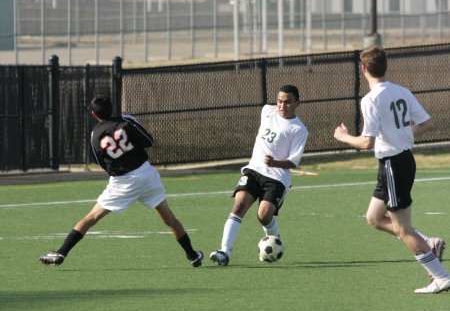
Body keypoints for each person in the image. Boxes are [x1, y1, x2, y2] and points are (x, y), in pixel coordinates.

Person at [333, 45, 449, 294]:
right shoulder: (401, 91)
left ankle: (440, 276)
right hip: (398, 162)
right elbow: (428, 124)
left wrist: (342, 136)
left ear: (363, 69)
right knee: (374, 218)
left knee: (402, 229)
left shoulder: (371, 99)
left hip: (394, 165)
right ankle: (428, 242)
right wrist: (403, 133)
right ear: (385, 67)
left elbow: (367, 142)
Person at [39, 95, 203, 268]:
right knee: (170, 219)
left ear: (94, 115)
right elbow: (148, 141)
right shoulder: (127, 120)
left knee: (91, 217)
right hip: (146, 174)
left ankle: (61, 253)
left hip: (122, 181)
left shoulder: (95, 134)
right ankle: (192, 255)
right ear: (112, 108)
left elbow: (100, 161)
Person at [210, 84, 308, 266]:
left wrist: (274, 163)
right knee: (238, 206)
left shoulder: (299, 129)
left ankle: (274, 238)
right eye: (279, 101)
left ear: (297, 103)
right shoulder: (267, 111)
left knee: (263, 215)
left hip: (277, 177)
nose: (282, 105)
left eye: (287, 102)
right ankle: (224, 252)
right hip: (254, 170)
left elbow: (293, 162)